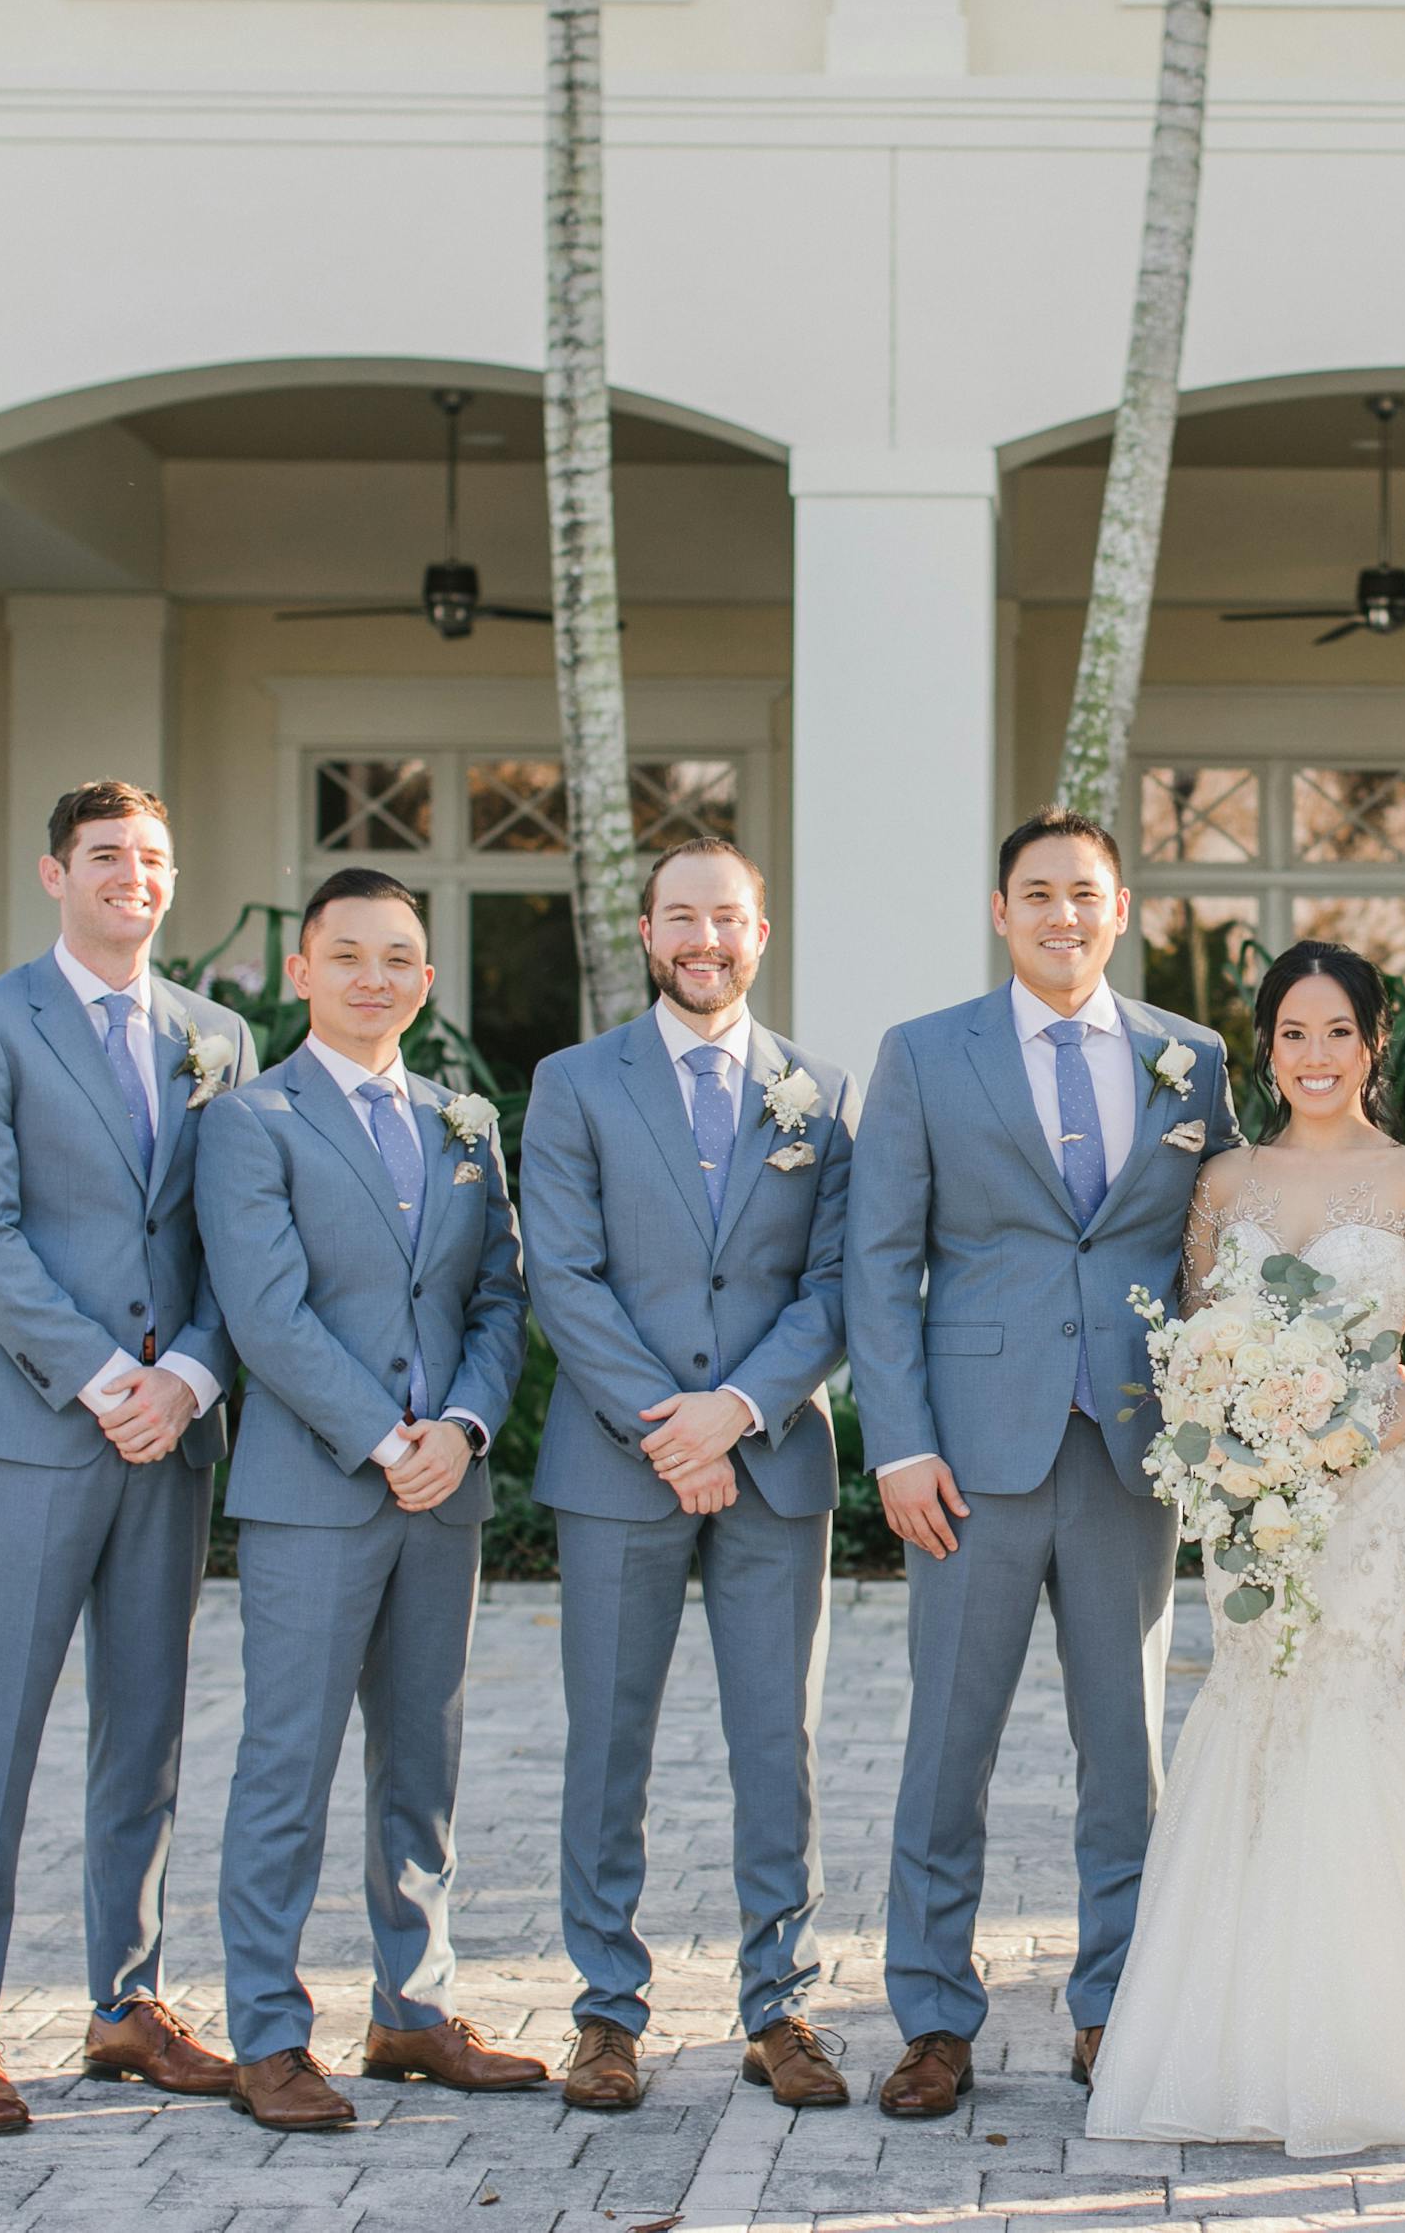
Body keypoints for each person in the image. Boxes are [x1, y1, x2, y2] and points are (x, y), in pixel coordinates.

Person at [1087, 941, 1405, 2156]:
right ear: (1265, 1043)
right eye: (1291, 1031)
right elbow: (1194, 1338)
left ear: (1372, 1042)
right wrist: (1243, 1425)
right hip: (1244, 1500)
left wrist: (1342, 1435)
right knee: (1253, 1701)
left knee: (1343, 1697)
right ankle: (1224, 2026)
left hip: (1368, 1494)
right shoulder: (1223, 1183)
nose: (1314, 1055)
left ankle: (1370, 2022)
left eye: (1338, 1031)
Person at [844, 808, 1241, 2118]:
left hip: (1131, 1452)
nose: (1062, 913)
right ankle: (934, 2016)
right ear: (1000, 910)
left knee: (1125, 1751)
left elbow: (1225, 1250)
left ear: (1120, 908)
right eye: (1037, 892)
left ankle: (1112, 2001)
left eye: (1086, 892)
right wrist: (897, 1440)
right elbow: (879, 1263)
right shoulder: (924, 1054)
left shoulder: (1193, 1060)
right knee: (948, 1743)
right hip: (968, 1455)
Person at [0, 780, 259, 2131]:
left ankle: (126, 2000)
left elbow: (244, 1233)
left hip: (169, 1437)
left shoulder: (215, 1035)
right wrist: (111, 1377)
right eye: (107, 853)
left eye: (154, 856)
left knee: (148, 1726)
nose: (134, 873)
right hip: (31, 1429)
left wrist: (185, 1376)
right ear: (56, 872)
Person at [196, 866, 540, 2132]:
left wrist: (458, 1426)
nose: (373, 977)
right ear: (301, 971)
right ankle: (268, 2034)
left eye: (398, 956)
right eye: (347, 954)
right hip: (315, 1489)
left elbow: (500, 1297)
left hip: (443, 1490)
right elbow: (263, 1310)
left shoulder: (464, 1121)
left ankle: (411, 2006)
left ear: (428, 979)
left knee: (423, 1763)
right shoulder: (252, 1120)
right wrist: (378, 1436)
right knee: (286, 1759)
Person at [521, 836, 856, 2113]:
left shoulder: (817, 1092)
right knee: (609, 1742)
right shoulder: (573, 1082)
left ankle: (781, 2003)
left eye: (727, 916)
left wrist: (735, 1410)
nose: (703, 938)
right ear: (648, 932)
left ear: (760, 931)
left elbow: (836, 1286)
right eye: (681, 916)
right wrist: (671, 1427)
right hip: (619, 1467)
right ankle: (605, 2009)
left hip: (772, 1463)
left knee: (781, 1744)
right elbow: (562, 1271)